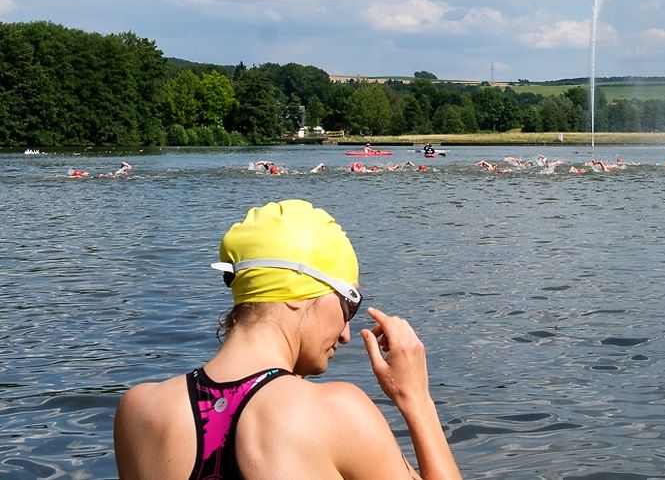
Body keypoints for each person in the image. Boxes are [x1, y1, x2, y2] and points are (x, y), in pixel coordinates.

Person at [113, 199, 461, 480]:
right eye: (349, 303)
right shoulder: (334, 414)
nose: (345, 333)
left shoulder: (139, 411)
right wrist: (417, 399)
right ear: (297, 291)